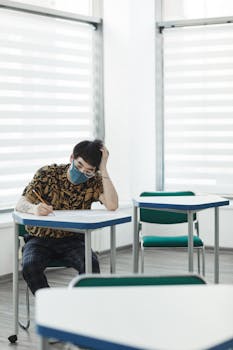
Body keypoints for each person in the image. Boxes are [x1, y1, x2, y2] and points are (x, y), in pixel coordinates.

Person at [16, 139, 118, 295]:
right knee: (30, 266)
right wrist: (33, 208)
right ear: (71, 158)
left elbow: (112, 205)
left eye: (88, 170)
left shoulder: (93, 182)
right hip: (39, 238)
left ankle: (82, 307)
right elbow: (21, 203)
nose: (82, 172)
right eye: (79, 165)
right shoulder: (47, 174)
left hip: (73, 239)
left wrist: (103, 168)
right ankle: (52, 308)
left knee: (91, 264)